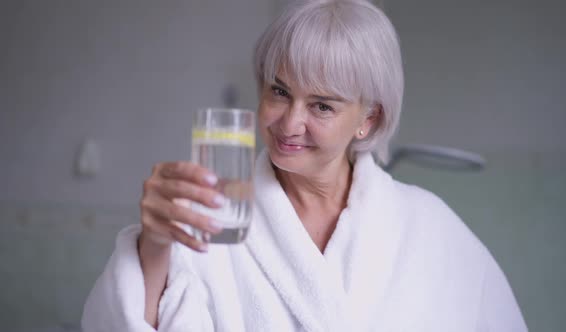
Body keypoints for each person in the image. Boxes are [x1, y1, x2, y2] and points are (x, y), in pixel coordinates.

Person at [82, 0, 528, 331]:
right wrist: (155, 244)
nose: (289, 123)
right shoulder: (212, 222)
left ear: (368, 118)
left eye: (322, 106)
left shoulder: (429, 228)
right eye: (279, 91)